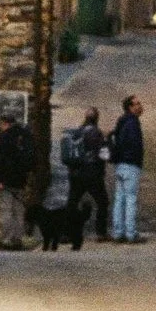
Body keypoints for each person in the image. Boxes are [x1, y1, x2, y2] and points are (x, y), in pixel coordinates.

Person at [62, 104, 110, 242]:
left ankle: (66, 233)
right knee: (102, 202)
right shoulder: (95, 132)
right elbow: (103, 154)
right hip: (92, 174)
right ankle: (101, 233)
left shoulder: (77, 132)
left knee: (72, 202)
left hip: (76, 173)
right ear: (97, 118)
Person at [0, 110, 37, 249]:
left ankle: (7, 238)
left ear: (4, 123)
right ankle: (18, 237)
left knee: (6, 209)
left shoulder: (5, 137)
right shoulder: (25, 135)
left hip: (5, 180)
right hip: (21, 179)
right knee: (18, 209)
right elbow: (33, 157)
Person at [108, 93, 145, 242]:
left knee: (119, 199)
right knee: (130, 199)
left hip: (121, 165)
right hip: (130, 165)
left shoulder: (122, 122)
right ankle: (130, 233)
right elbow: (134, 144)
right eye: (137, 103)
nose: (140, 106)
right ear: (130, 107)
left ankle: (118, 232)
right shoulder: (133, 123)